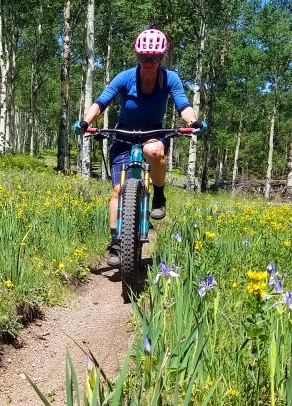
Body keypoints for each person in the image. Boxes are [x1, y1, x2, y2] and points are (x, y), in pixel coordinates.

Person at [73, 28, 206, 267]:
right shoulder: (124, 78)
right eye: (144, 57)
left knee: (154, 152)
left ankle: (159, 196)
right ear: (137, 56)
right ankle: (115, 241)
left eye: (154, 58)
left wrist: (192, 121)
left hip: (153, 133)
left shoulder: (170, 79)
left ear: (162, 57)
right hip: (123, 135)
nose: (149, 62)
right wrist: (86, 122)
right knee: (117, 191)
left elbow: (183, 105)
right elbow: (102, 101)